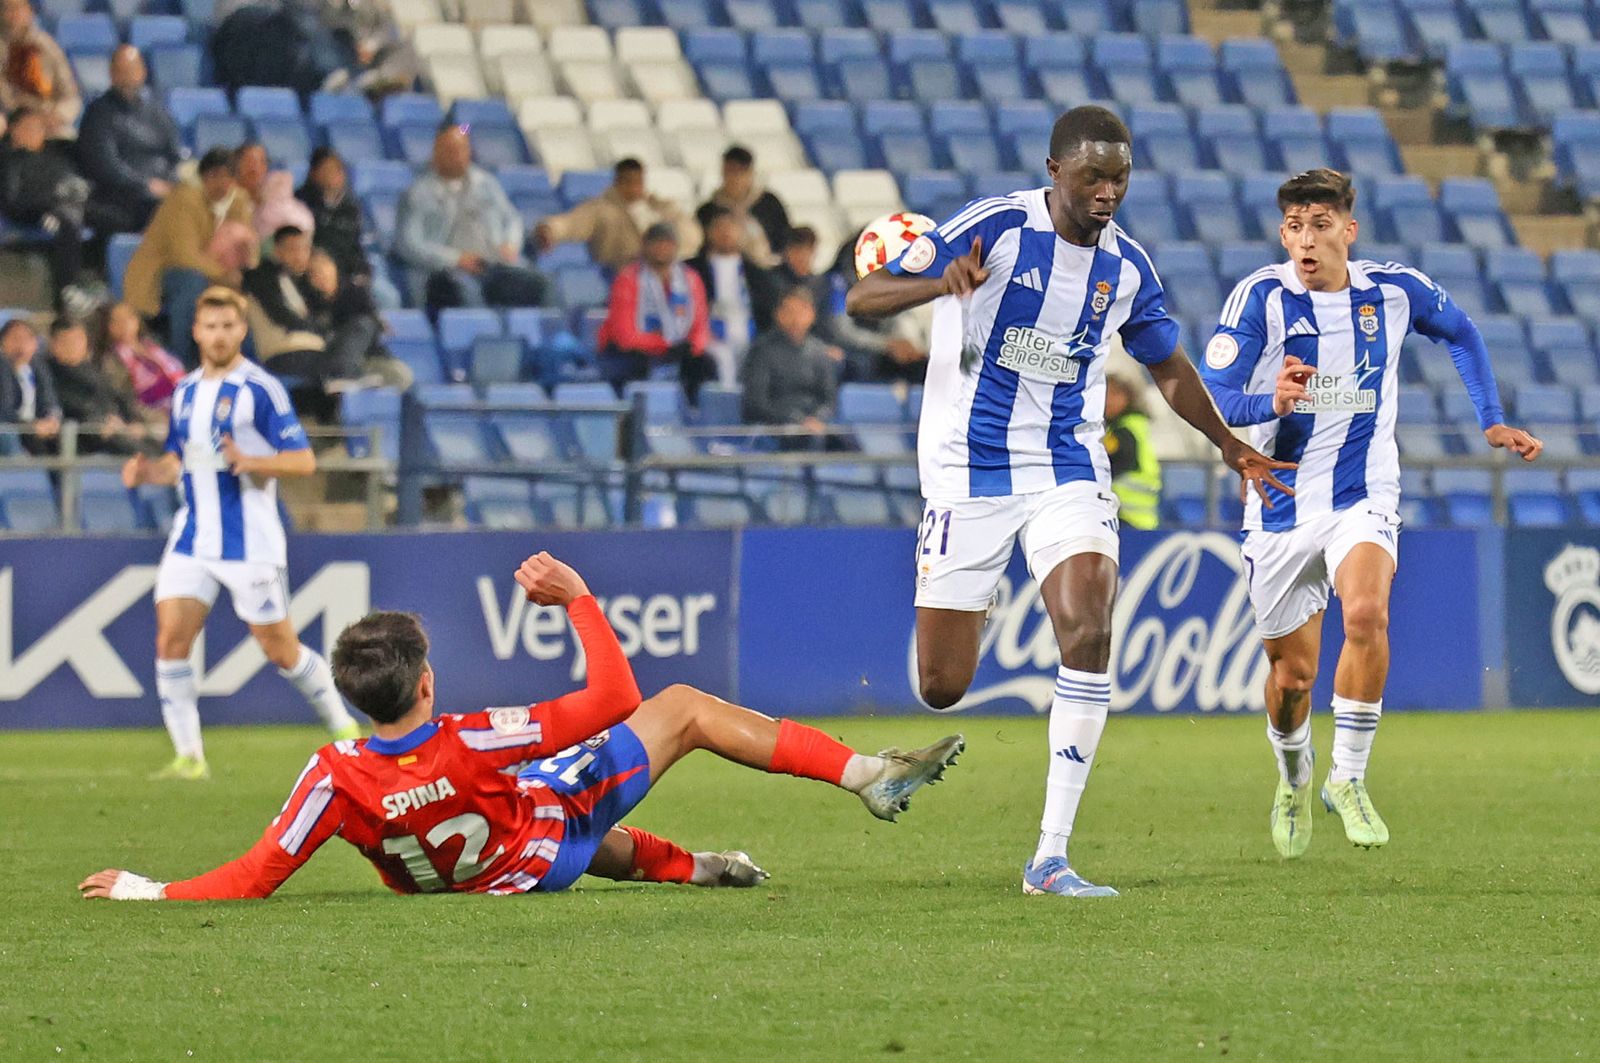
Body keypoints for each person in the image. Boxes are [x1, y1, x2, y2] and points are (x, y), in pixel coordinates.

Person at [847, 105, 1291, 898]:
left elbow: (1172, 371)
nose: (1108, 191)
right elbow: (863, 298)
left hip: (1066, 466)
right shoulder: (996, 226)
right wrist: (933, 282)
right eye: (1093, 175)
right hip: (969, 473)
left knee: (1089, 626)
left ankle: (1050, 854)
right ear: (1056, 171)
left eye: (1120, 177)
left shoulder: (1127, 268)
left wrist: (1229, 443)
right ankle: (973, 607)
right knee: (941, 685)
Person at [78, 550, 966, 900]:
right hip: (542, 846)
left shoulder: (331, 774)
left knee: (556, 797)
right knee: (683, 708)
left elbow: (256, 873)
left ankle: (702, 866)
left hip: (490, 867)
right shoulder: (469, 736)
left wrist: (148, 891)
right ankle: (864, 775)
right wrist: (578, 598)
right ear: (426, 682)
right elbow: (615, 698)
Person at [1198, 168, 1544, 858]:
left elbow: (1463, 332)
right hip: (1280, 506)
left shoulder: (1393, 291)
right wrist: (1272, 401)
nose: (1306, 240)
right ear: (1282, 233)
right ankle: (1294, 771)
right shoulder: (1260, 299)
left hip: (1363, 493)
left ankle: (1347, 778)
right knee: (1291, 679)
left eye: (1321, 225)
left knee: (1365, 614)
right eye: (1294, 226)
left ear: (1347, 231)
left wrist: (1492, 420)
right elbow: (1213, 398)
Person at [119, 286, 362, 781]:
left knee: (281, 649)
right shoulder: (185, 391)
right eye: (210, 326)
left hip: (248, 540)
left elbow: (303, 459)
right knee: (170, 641)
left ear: (242, 330)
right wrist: (147, 473)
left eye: (228, 325)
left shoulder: (262, 389)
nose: (219, 334)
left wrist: (252, 461)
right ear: (196, 332)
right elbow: (177, 461)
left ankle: (344, 728)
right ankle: (190, 757)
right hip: (191, 536)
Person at [122, 147, 257, 366]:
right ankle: (181, 362)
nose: (221, 184)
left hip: (213, 272)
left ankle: (246, 362)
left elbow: (248, 244)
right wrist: (223, 274)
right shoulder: (184, 198)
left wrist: (242, 272)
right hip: (162, 272)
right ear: (203, 177)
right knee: (190, 282)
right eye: (215, 176)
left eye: (228, 177)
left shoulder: (238, 200)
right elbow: (184, 255)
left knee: (250, 287)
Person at [395, 123, 545, 317]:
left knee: (540, 283)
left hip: (494, 263)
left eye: (462, 149)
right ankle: (485, 340)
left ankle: (556, 341)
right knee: (466, 290)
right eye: (450, 150)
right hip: (449, 271)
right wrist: (456, 259)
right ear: (436, 153)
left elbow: (511, 218)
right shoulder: (417, 194)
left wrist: (510, 243)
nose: (457, 155)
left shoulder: (486, 184)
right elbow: (408, 244)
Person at [244, 225, 404, 394]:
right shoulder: (263, 277)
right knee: (362, 330)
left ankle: (356, 371)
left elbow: (328, 316)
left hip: (318, 349)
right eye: (292, 250)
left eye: (304, 249)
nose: (299, 256)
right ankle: (347, 374)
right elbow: (283, 316)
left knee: (364, 325)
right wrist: (323, 330)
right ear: (277, 252)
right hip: (287, 352)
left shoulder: (302, 283)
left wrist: (327, 292)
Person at [76, 45, 183, 235]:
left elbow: (173, 156)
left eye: (133, 69)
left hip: (162, 191)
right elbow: (105, 166)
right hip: (119, 197)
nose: (128, 76)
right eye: (121, 70)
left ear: (143, 72)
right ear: (112, 74)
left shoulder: (158, 113)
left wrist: (170, 183)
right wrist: (145, 184)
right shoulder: (99, 113)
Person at [0, 105, 98, 313]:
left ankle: (99, 281)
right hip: (35, 212)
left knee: (115, 216)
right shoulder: (8, 158)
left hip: (72, 204)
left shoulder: (58, 152)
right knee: (67, 222)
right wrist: (50, 204)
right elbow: (12, 201)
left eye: (39, 127)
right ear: (13, 129)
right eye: (28, 127)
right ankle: (67, 291)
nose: (34, 132)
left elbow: (83, 153)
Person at [595, 221, 711, 396]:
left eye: (667, 243)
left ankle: (695, 417)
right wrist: (664, 345)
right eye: (657, 243)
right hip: (634, 351)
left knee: (705, 365)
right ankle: (633, 418)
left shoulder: (690, 279)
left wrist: (692, 346)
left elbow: (700, 324)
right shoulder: (628, 279)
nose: (662, 249)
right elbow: (624, 335)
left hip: (677, 348)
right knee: (632, 365)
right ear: (645, 245)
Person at [535, 157, 690, 272]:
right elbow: (571, 223)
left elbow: (692, 233)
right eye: (628, 182)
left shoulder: (659, 207)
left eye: (638, 182)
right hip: (620, 272)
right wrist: (550, 229)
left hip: (665, 271)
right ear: (617, 182)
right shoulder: (601, 210)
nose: (634, 188)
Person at [687, 206, 779, 387]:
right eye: (720, 227)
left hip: (750, 335)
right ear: (709, 232)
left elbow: (767, 313)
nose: (726, 233)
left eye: (731, 227)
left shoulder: (757, 274)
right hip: (709, 335)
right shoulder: (692, 270)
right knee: (723, 360)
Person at [741, 286, 840, 447]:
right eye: (789, 311)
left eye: (801, 312)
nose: (796, 319)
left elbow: (829, 400)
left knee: (846, 441)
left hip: (815, 423)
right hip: (776, 426)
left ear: (812, 315)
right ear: (778, 314)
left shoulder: (819, 351)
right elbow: (755, 404)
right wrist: (797, 420)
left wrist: (817, 418)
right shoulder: (762, 351)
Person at [46, 317, 143, 454]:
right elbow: (72, 405)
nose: (73, 346)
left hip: (114, 428)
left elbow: (119, 397)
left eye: (78, 340)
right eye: (66, 341)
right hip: (85, 435)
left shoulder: (92, 370)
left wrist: (133, 420)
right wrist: (105, 420)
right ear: (53, 344)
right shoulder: (48, 373)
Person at [694, 145, 791, 267]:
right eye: (730, 171)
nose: (735, 178)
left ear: (750, 173)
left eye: (740, 172)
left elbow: (784, 238)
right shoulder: (708, 210)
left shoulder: (769, 203)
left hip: (767, 269)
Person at [0, 0, 78, 135]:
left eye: (19, 8)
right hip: (10, 122)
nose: (14, 15)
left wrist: (56, 117)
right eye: (8, 9)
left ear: (30, 11)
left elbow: (70, 96)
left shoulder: (48, 47)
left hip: (48, 122)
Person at [100, 300, 186, 418]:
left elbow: (176, 372)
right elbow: (127, 401)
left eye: (129, 318)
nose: (124, 325)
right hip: (152, 417)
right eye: (117, 320)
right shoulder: (111, 361)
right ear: (108, 327)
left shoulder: (153, 346)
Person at [1102, 373, 1159, 530]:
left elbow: (1105, 450)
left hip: (1126, 517)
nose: (1107, 401)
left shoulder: (1125, 429)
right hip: (1141, 520)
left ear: (1126, 397)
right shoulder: (1136, 424)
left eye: (1113, 394)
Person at [0, 317, 60, 454]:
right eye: (15, 339)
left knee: (67, 440)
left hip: (38, 429)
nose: (21, 345)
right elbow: (4, 410)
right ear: (2, 343)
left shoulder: (39, 367)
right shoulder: (2, 368)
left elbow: (50, 400)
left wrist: (52, 419)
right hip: (14, 429)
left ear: (35, 344)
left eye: (26, 339)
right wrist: (30, 426)